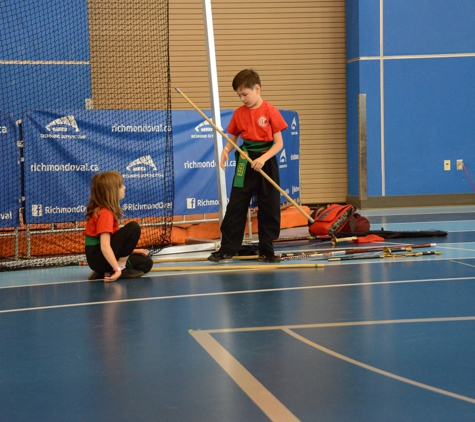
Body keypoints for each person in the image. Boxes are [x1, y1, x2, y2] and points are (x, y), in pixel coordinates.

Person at [208, 69, 288, 263]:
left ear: (257, 89)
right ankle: (227, 249)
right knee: (236, 203)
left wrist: (263, 158)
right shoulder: (239, 113)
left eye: (245, 94)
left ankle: (266, 250)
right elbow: (234, 138)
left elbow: (279, 144)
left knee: (269, 204)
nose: (242, 98)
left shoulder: (270, 111)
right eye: (239, 95)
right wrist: (226, 150)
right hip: (245, 158)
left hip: (266, 161)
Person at [84, 170, 153, 281]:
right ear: (112, 191)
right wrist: (118, 269)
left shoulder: (106, 211)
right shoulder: (105, 213)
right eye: (121, 186)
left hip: (99, 258)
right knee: (133, 228)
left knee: (146, 263)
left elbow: (114, 243)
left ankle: (104, 272)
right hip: (98, 257)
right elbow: (105, 246)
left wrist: (133, 251)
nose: (124, 187)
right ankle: (120, 268)